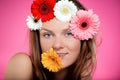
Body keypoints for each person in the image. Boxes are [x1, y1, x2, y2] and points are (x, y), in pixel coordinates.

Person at [4, 0, 100, 80]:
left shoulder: (83, 76)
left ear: (83, 39)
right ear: (38, 39)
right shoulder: (21, 63)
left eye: (68, 34)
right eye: (48, 35)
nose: (57, 45)